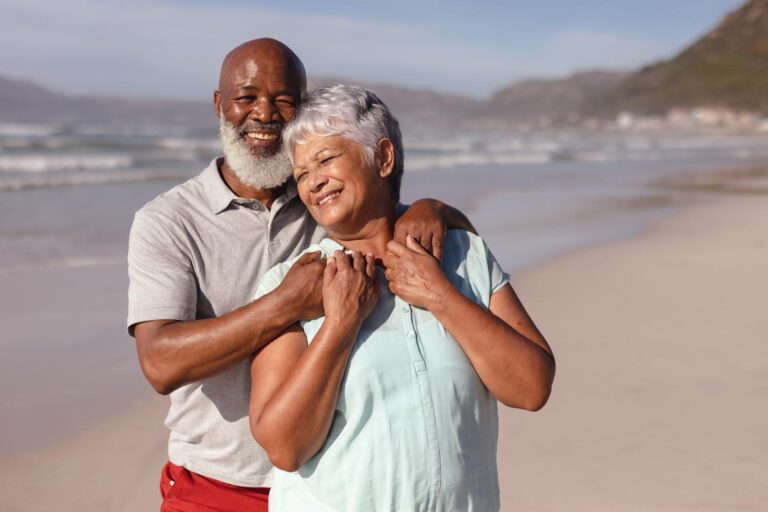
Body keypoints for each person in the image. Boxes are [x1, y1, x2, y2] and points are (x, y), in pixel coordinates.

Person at [127, 39, 475, 511]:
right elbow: (159, 363)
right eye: (246, 98)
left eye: (284, 100)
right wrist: (287, 303)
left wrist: (436, 208)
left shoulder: (324, 195)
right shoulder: (169, 220)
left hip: (334, 482)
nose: (265, 114)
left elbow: (411, 222)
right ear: (219, 105)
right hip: (218, 484)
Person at [249, 84, 556, 511]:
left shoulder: (463, 254)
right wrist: (341, 323)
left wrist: (442, 295)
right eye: (301, 174)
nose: (313, 181)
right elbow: (284, 448)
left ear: (384, 158)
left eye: (326, 159)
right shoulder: (294, 284)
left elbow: (532, 388)